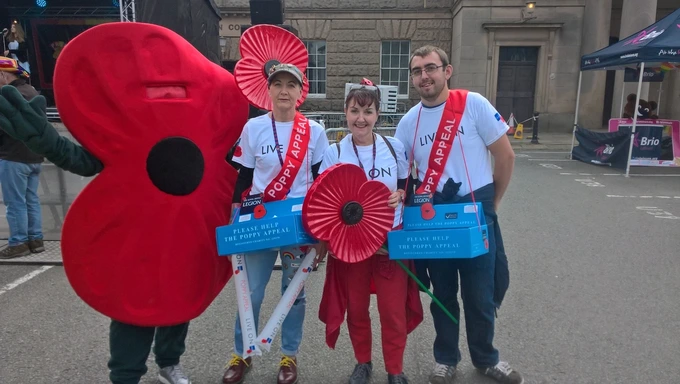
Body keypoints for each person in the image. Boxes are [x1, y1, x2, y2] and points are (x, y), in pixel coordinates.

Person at [394, 45, 521, 384]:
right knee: (443, 293)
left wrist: (492, 204)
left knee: (480, 292)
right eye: (418, 71)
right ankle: (446, 358)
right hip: (433, 212)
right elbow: (402, 177)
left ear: (446, 71)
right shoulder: (408, 123)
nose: (425, 76)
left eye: (431, 68)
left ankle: (486, 357)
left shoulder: (473, 104)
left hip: (475, 208)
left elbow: (505, 157)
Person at [223, 63, 329, 384]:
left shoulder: (316, 131)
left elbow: (323, 181)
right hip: (259, 221)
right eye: (278, 84)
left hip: (298, 223)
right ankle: (243, 353)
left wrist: (323, 232)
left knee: (294, 293)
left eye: (291, 85)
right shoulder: (253, 128)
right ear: (268, 90)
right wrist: (234, 223)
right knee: (251, 292)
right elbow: (243, 177)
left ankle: (289, 355)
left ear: (300, 91)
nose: (284, 90)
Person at [316, 80, 423, 384]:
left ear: (378, 114)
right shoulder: (334, 152)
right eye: (354, 111)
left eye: (368, 111)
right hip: (351, 246)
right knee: (357, 308)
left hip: (390, 241)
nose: (360, 118)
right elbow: (323, 201)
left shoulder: (394, 148)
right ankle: (363, 362)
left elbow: (407, 186)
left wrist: (402, 195)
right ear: (345, 113)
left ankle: (395, 368)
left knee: (393, 311)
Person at [0, 57, 44, 259]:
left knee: (15, 202)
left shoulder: (8, 95)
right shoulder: (32, 92)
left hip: (13, 155)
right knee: (31, 200)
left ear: (3, 74)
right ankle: (36, 240)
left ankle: (18, 242)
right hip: (34, 155)